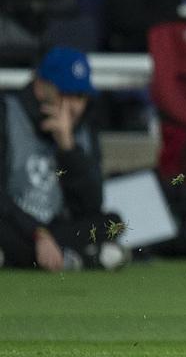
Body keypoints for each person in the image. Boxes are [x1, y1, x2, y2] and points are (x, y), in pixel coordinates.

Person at [0, 47, 127, 271]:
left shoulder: (83, 131)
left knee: (112, 223)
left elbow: (91, 206)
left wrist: (68, 148)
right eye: (64, 94)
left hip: (58, 227)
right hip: (14, 221)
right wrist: (37, 233)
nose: (74, 107)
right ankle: (82, 257)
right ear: (40, 87)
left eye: (80, 97)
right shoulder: (7, 115)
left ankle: (20, 257)